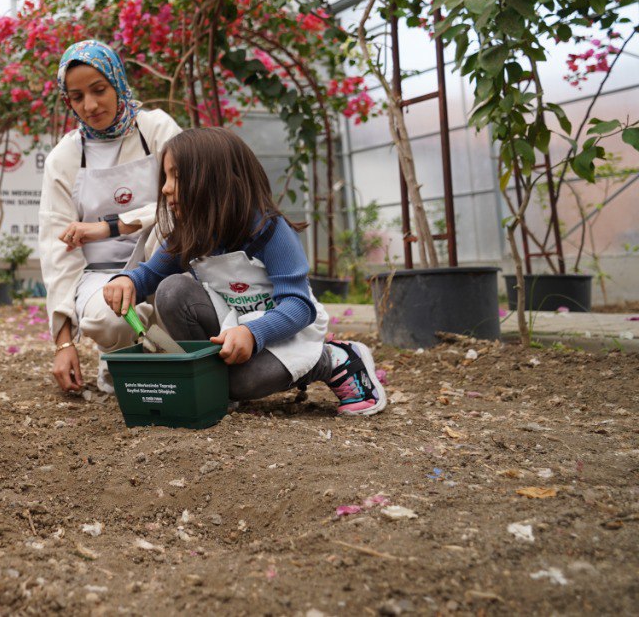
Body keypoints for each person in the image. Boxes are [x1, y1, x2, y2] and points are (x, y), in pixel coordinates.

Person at [101, 127, 387, 415]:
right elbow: (150, 275)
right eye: (166, 177)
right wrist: (128, 281)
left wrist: (253, 332)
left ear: (216, 180)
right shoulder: (190, 233)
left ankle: (332, 359)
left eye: (177, 176)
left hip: (285, 331)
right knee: (172, 290)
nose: (165, 188)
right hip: (232, 325)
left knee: (242, 383)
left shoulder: (269, 231)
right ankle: (212, 385)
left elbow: (299, 306)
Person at [39, 40, 183, 395]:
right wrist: (63, 342)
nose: (90, 105)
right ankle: (125, 356)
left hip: (165, 262)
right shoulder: (64, 158)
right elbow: (57, 253)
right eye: (77, 97)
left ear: (118, 82)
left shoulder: (156, 130)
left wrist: (110, 226)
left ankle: (166, 358)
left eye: (99, 90)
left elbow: (189, 201)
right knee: (109, 319)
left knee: (175, 292)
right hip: (100, 276)